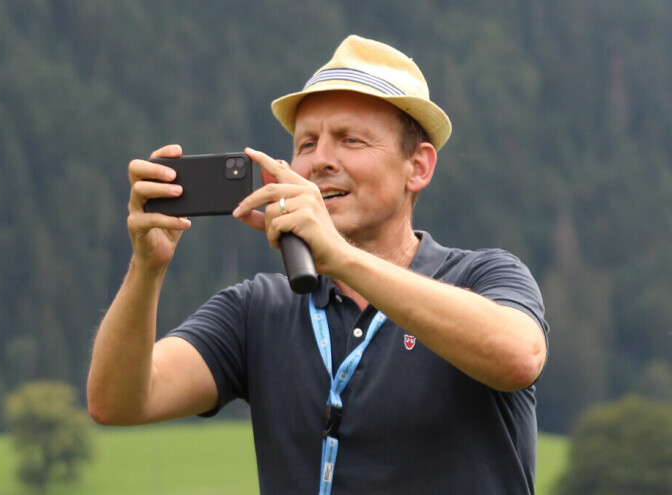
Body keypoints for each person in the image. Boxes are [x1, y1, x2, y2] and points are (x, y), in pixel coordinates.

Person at [87, 35, 549, 494]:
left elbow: (519, 358)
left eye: (350, 140)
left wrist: (341, 257)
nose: (320, 161)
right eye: (306, 144)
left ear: (419, 167)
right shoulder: (258, 309)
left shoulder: (483, 276)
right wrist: (146, 268)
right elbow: (118, 401)